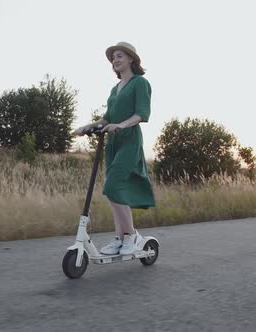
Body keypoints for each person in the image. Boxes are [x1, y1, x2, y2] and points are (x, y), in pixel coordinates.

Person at [73, 41, 156, 255]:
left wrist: (121, 124)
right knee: (112, 192)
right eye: (113, 58)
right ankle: (120, 239)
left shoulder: (140, 83)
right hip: (113, 143)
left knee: (113, 186)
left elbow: (141, 114)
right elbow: (107, 118)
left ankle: (131, 236)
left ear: (131, 59)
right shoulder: (114, 89)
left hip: (129, 140)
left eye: (119, 56)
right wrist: (90, 126)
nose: (115, 60)